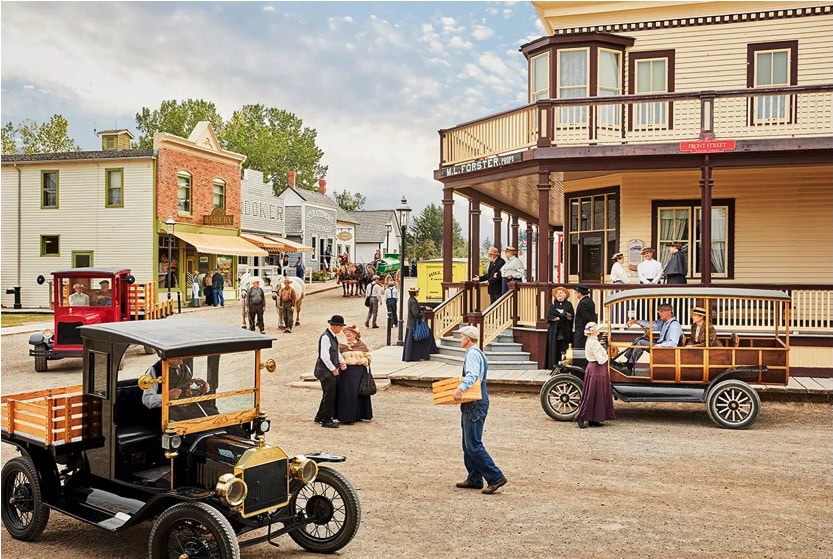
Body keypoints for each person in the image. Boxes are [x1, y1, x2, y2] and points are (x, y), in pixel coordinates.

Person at [453, 325, 507, 495]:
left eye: (461, 337)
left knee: (473, 444)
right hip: (476, 401)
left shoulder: (473, 354)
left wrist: (460, 388)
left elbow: (473, 375)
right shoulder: (477, 352)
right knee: (467, 443)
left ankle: (495, 476)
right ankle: (474, 477)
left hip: (474, 402)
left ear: (467, 339)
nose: (460, 339)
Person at [141, 357, 212, 421]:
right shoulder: (154, 371)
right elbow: (147, 400)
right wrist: (167, 396)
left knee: (212, 413)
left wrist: (201, 387)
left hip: (186, 407)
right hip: (166, 410)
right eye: (176, 354)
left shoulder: (185, 368)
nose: (181, 357)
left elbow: (188, 387)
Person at [575, 322, 616, 428]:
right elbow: (601, 360)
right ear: (593, 332)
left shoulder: (593, 341)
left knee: (597, 395)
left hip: (596, 370)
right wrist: (609, 356)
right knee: (592, 394)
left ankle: (594, 419)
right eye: (597, 330)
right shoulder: (593, 343)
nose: (599, 331)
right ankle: (582, 416)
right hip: (596, 369)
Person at [622, 303, 683, 371]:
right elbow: (651, 324)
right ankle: (627, 363)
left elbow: (673, 343)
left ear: (669, 312)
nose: (659, 313)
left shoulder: (674, 325)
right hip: (660, 346)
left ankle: (629, 367)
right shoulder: (663, 322)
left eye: (662, 312)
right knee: (638, 339)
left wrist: (658, 345)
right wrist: (636, 321)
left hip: (666, 350)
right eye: (659, 311)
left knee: (641, 343)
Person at [313, 315, 347, 428]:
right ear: (335, 326)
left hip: (328, 370)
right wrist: (333, 369)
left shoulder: (332, 337)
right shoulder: (326, 337)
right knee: (330, 395)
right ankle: (327, 419)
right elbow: (324, 356)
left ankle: (320, 416)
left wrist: (341, 362)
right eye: (340, 326)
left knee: (327, 393)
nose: (341, 329)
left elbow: (336, 352)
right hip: (325, 371)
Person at [336, 325, 374, 424]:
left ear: (356, 335)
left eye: (351, 332)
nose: (348, 334)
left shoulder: (362, 346)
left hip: (359, 372)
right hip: (346, 373)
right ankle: (347, 417)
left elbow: (369, 358)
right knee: (347, 394)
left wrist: (363, 360)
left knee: (359, 393)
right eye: (347, 332)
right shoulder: (341, 346)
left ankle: (359, 415)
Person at [402, 286, 438, 362]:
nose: (418, 292)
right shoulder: (413, 301)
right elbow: (416, 314)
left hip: (411, 324)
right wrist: (423, 313)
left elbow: (416, 308)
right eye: (417, 291)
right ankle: (427, 352)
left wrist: (424, 307)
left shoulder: (411, 300)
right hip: (415, 324)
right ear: (414, 292)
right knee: (428, 333)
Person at [545, 286, 574, 368]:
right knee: (554, 349)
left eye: (561, 293)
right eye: (557, 293)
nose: (559, 294)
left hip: (565, 331)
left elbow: (570, 316)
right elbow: (550, 316)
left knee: (564, 349)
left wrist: (559, 317)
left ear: (565, 295)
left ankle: (565, 366)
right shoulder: (552, 304)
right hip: (554, 330)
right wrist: (561, 316)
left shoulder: (569, 305)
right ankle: (553, 366)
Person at [572, 285, 597, 363]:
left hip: (582, 330)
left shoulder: (583, 303)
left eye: (576, 293)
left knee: (580, 348)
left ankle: (580, 365)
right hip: (585, 329)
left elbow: (586, 318)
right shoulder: (589, 301)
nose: (576, 294)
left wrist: (588, 328)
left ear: (580, 293)